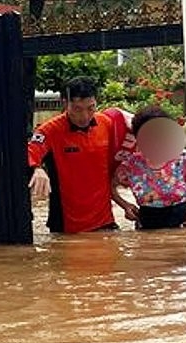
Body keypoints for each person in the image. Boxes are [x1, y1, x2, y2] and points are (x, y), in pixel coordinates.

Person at [27, 76, 130, 233]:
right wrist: (37, 168)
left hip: (105, 222)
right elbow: (29, 152)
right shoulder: (49, 130)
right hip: (66, 226)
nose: (85, 116)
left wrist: (125, 204)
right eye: (77, 109)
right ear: (64, 103)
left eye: (91, 108)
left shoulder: (107, 124)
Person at [111, 105, 186, 230]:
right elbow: (108, 186)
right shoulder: (131, 164)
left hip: (183, 229)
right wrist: (125, 206)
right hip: (147, 230)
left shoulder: (185, 159)